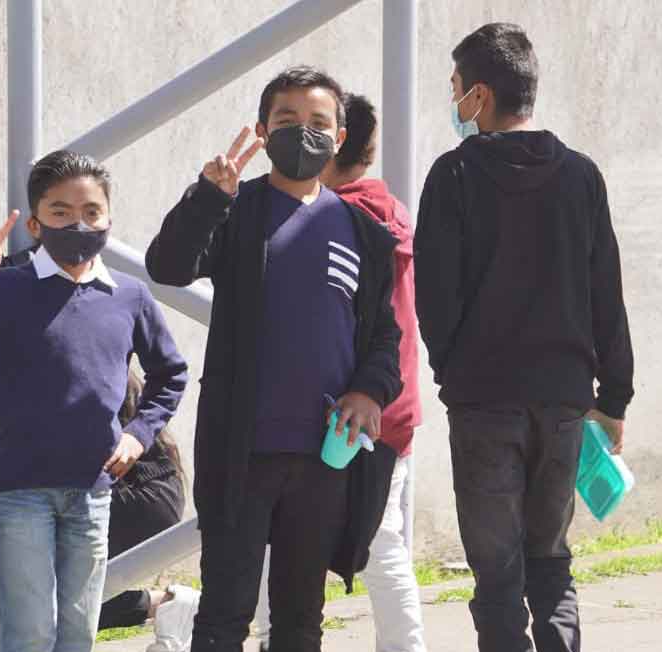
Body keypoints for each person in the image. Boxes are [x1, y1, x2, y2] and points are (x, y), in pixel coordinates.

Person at [146, 66, 403, 652]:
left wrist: (368, 391)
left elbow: (383, 337)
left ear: (339, 138)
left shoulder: (365, 234)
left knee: (297, 623)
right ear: (263, 131)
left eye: (318, 123)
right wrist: (208, 197)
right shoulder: (236, 210)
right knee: (223, 618)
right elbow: (168, 266)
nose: (304, 133)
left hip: (322, 460)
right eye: (287, 120)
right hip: (242, 454)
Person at [415, 24, 635, 652]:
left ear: (480, 95)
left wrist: (454, 371)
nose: (453, 101)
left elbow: (434, 296)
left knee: (498, 573)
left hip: (483, 401)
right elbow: (606, 295)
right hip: (564, 403)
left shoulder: (453, 176)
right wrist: (613, 397)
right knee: (551, 559)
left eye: (456, 88)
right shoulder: (582, 177)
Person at [0, 149, 189, 652]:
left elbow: (170, 373)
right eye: (60, 212)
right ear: (37, 223)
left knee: (77, 634)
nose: (78, 223)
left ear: (109, 219)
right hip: (18, 491)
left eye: (91, 212)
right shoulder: (7, 285)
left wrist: (138, 434)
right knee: (28, 634)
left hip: (92, 491)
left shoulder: (128, 296)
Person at [255, 92, 426, 652]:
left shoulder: (339, 219)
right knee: (384, 543)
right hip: (391, 404)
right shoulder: (394, 212)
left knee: (360, 546)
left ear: (337, 142)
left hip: (348, 409)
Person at [0, 370, 196, 635]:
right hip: (143, 491)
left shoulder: (67, 362)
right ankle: (168, 605)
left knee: (48, 597)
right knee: (52, 597)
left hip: (138, 494)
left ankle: (165, 604)